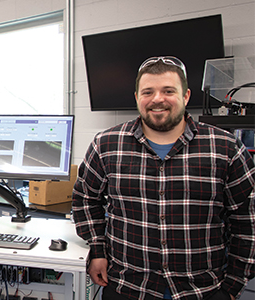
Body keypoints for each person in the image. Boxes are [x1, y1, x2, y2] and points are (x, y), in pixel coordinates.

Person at [72, 56, 255, 300]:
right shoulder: (106, 144)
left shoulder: (225, 147)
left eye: (168, 90)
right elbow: (85, 199)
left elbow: (247, 220)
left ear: (186, 96)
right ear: (137, 97)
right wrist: (97, 250)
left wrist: (232, 286)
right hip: (128, 287)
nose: (158, 99)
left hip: (202, 290)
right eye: (148, 92)